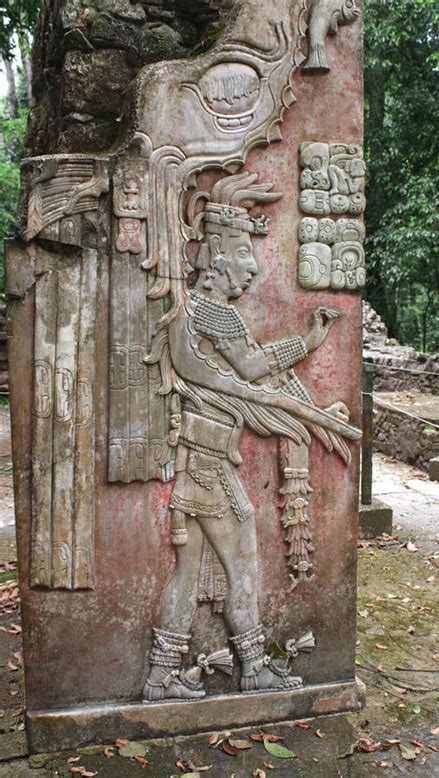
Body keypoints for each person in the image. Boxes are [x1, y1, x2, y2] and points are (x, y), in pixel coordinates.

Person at [143, 172, 358, 701]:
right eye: (242, 252)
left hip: (196, 457)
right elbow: (254, 366)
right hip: (210, 466)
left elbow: (243, 376)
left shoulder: (185, 308)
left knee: (188, 572)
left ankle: (160, 674)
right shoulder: (212, 311)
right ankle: (254, 667)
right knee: (243, 565)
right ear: (215, 251)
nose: (252, 266)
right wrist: (307, 341)